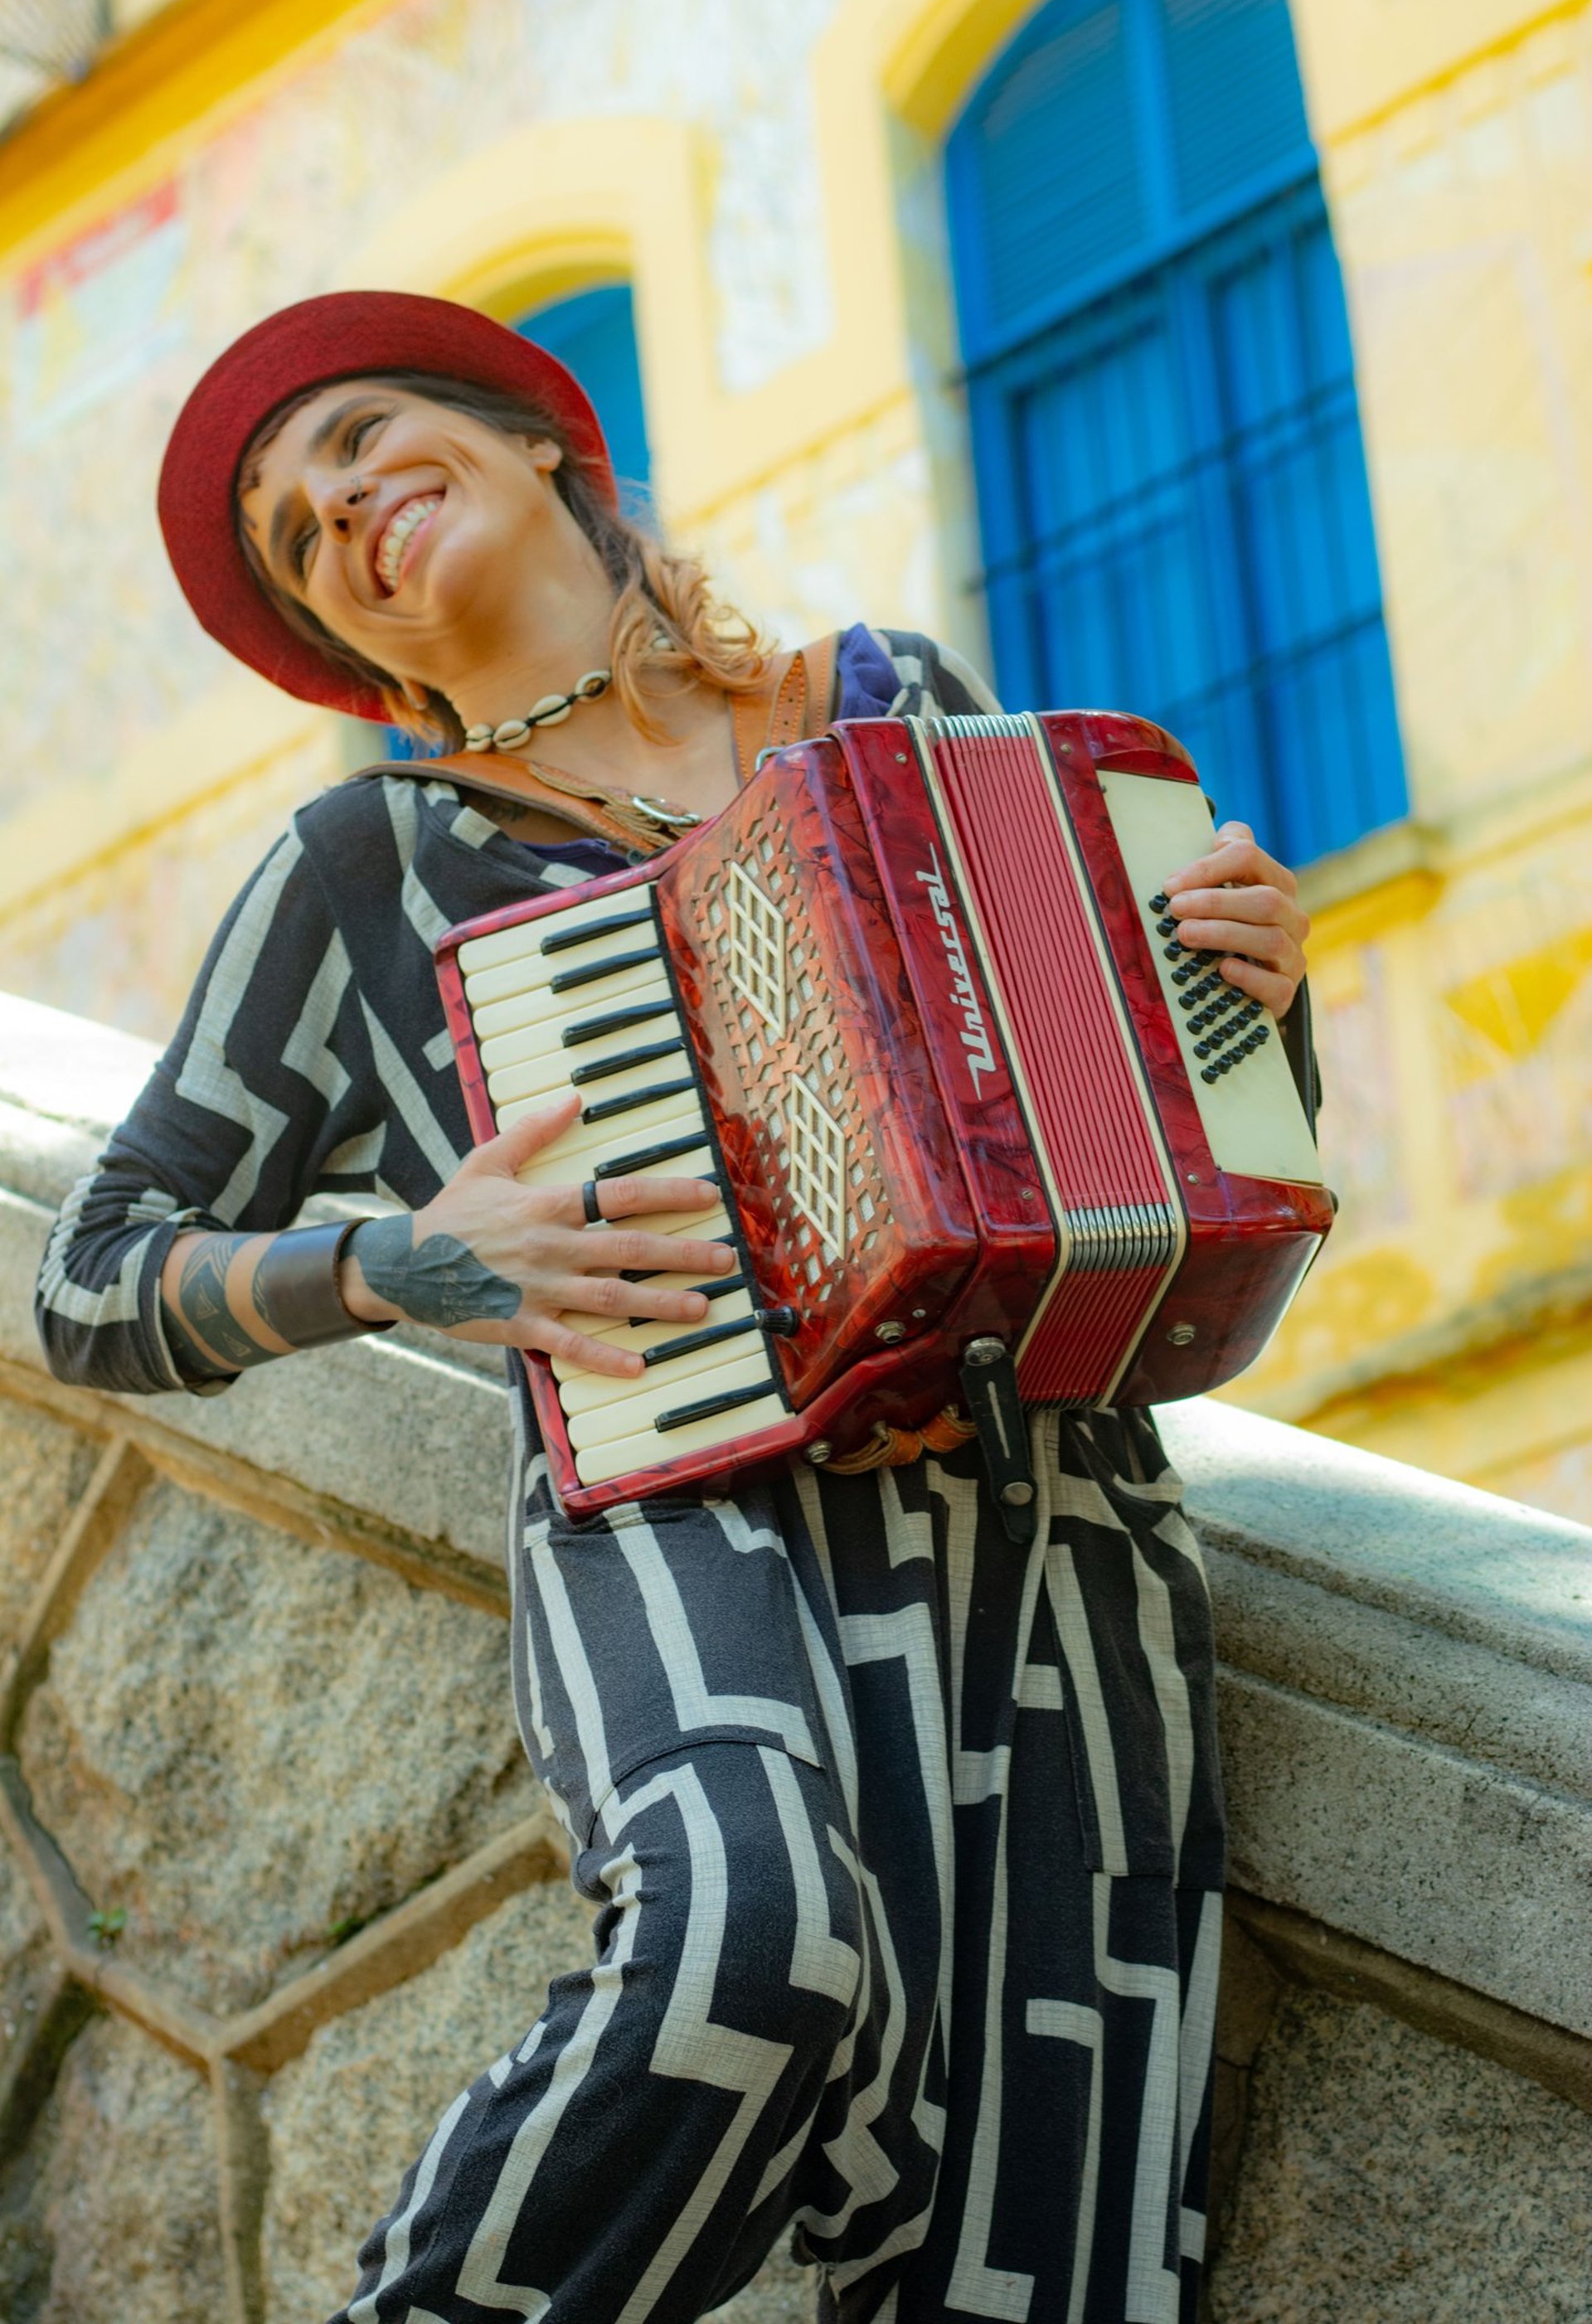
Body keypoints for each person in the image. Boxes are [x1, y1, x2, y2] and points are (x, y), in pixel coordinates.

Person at [36, 291, 1313, 2324]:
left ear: (542, 440)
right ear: (356, 651)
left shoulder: (888, 697)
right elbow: (91, 1279)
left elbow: (1145, 1123)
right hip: (687, 1512)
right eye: (294, 533)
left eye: (357, 440)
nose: (336, 504)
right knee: (752, 1942)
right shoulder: (364, 870)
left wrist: (1247, 979)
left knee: (1038, 2247)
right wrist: (393, 1259)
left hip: (1041, 1518)